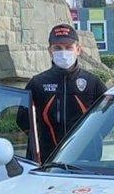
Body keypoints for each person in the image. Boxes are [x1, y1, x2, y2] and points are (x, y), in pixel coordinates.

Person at [18, 25, 107, 161]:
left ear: (78, 49)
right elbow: (23, 119)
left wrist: (92, 139)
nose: (63, 52)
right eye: (58, 48)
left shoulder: (92, 82)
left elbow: (108, 117)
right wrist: (40, 140)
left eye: (68, 47)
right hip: (46, 161)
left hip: (85, 161)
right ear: (50, 51)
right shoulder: (37, 83)